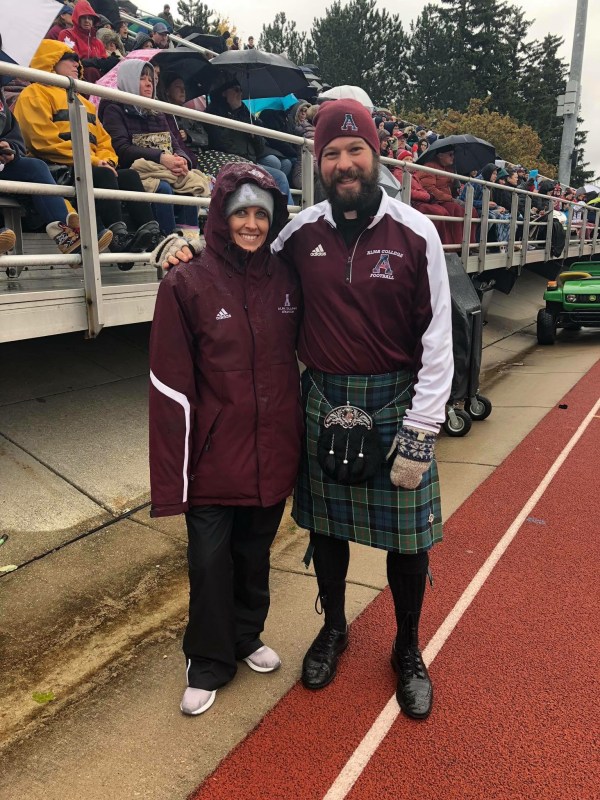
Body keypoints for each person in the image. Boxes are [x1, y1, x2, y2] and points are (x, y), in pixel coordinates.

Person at [148, 163, 303, 716]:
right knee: (210, 564)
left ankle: (245, 636)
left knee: (254, 555)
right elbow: (168, 386)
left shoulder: (288, 277)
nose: (252, 224)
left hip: (272, 452)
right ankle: (209, 660)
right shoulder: (185, 282)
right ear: (221, 215)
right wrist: (172, 482)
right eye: (241, 212)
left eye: (262, 213)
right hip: (212, 460)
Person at [15, 41, 161, 259]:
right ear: (50, 61)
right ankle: (118, 237)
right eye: (69, 59)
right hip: (57, 168)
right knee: (102, 174)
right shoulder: (33, 93)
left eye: (77, 59)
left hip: (90, 165)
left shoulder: (84, 101)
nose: (77, 63)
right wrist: (92, 161)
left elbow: (104, 141)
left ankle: (152, 234)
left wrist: (106, 160)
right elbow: (41, 140)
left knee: (129, 175)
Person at [99, 60, 208, 240]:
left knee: (190, 186)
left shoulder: (157, 110)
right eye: (142, 78)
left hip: (165, 168)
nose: (149, 83)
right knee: (163, 188)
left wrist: (181, 160)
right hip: (137, 171)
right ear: (129, 80)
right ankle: (166, 242)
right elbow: (121, 149)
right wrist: (161, 157)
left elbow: (174, 143)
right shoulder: (113, 109)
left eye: (151, 79)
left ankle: (190, 242)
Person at [206, 79, 293, 204]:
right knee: (279, 175)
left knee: (280, 169)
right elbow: (220, 143)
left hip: (249, 161)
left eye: (241, 91)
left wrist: (254, 136)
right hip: (232, 162)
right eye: (236, 90)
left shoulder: (244, 113)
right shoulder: (213, 113)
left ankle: (276, 209)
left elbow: (260, 148)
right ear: (224, 93)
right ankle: (282, 212)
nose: (240, 94)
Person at [59, 0, 117, 81]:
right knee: (91, 71)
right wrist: (97, 62)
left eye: (90, 18)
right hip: (74, 79)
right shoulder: (67, 34)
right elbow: (73, 60)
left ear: (93, 21)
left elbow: (104, 64)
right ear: (77, 18)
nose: (87, 20)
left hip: (96, 82)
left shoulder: (98, 43)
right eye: (83, 17)